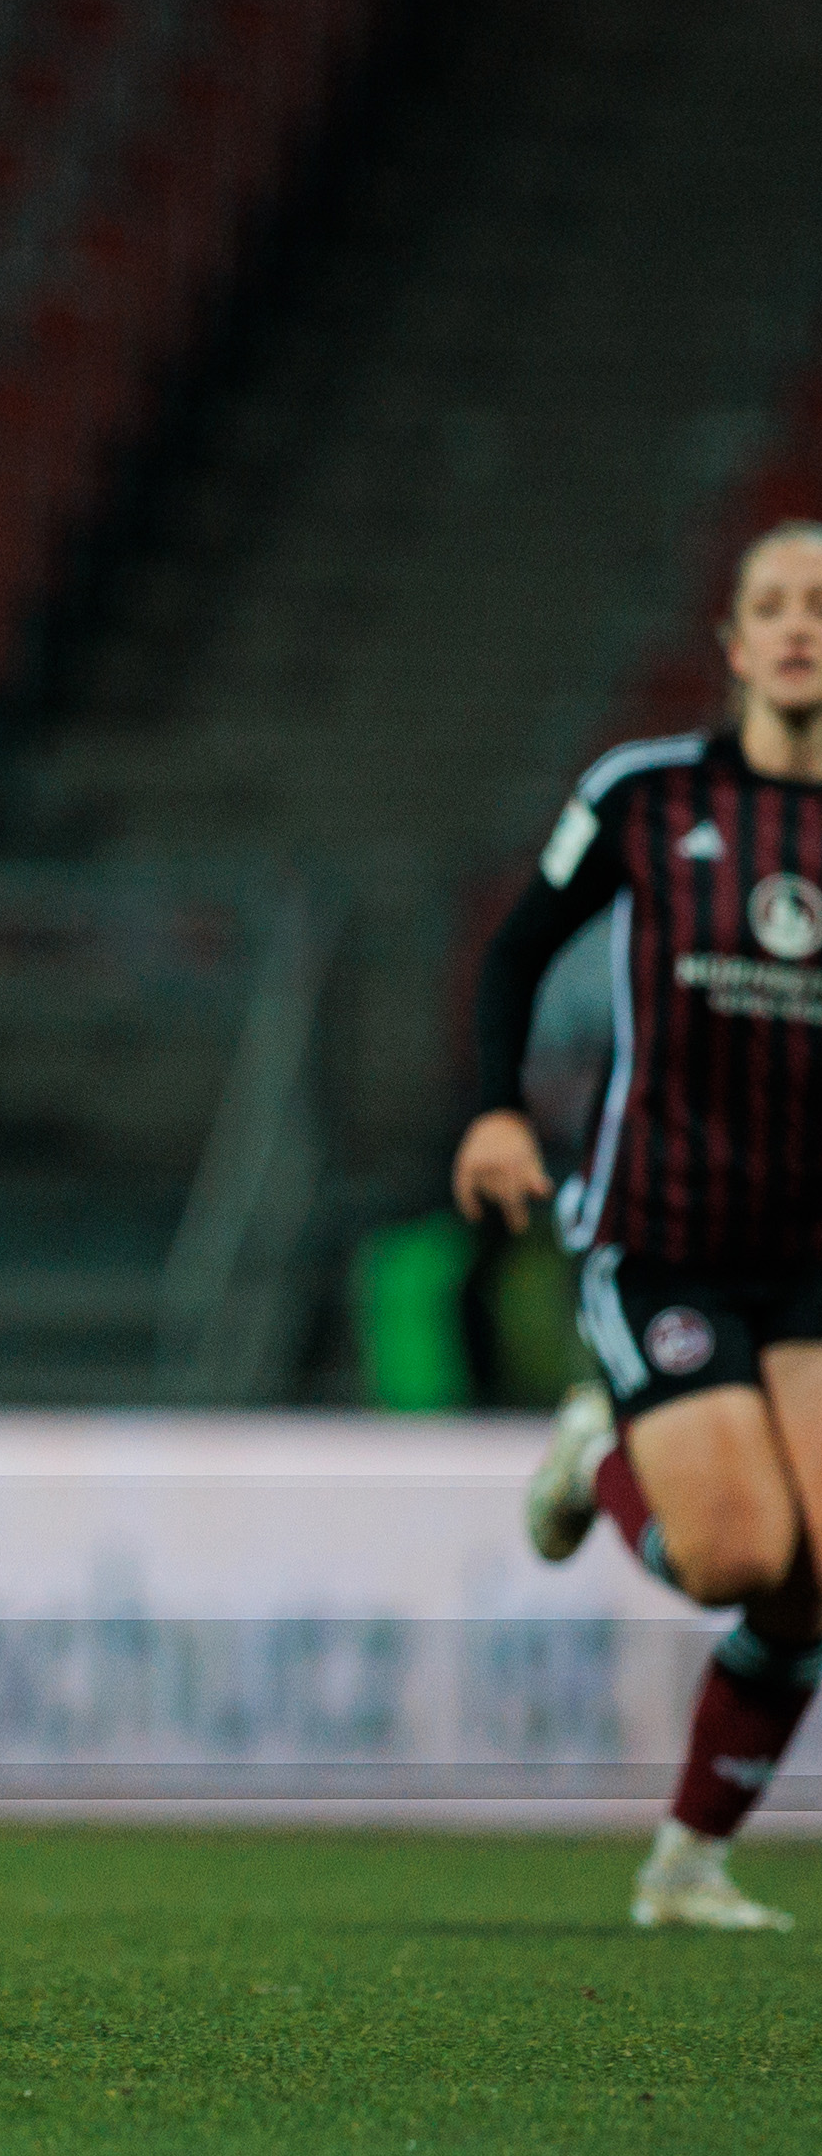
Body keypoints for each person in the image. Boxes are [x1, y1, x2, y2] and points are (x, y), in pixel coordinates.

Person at [468, 518, 822, 1930]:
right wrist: (496, 1110)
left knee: (817, 1576)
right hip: (664, 1231)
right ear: (733, 643)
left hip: (813, 1255)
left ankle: (686, 1865)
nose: (802, 623)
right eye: (776, 603)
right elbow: (515, 945)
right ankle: (600, 1445)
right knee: (739, 1555)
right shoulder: (645, 791)